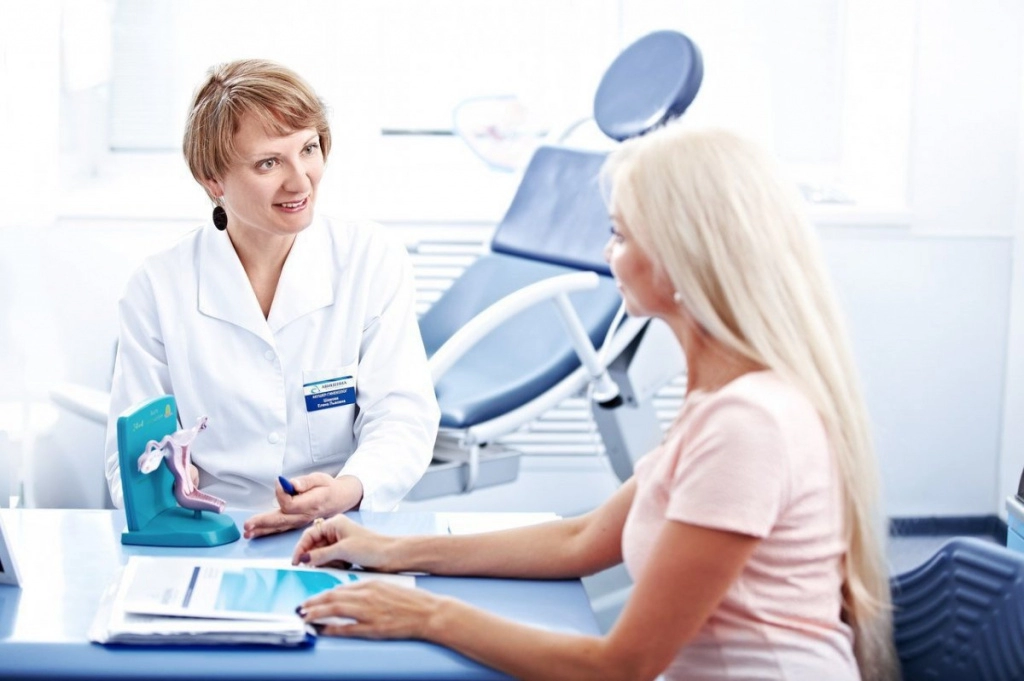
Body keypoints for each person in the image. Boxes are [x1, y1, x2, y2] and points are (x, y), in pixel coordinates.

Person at [288, 125, 897, 681]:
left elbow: (621, 666)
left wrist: (426, 615)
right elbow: (580, 540)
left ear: (684, 258)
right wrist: (390, 551)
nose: (609, 256)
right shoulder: (721, 403)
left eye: (620, 235)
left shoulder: (748, 424)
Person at [104, 59, 440, 538]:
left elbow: (403, 415)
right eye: (268, 162)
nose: (300, 181)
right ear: (213, 180)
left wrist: (350, 488)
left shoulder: (369, 260)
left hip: (342, 528)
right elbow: (133, 450)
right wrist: (164, 487)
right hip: (212, 532)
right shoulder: (158, 287)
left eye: (308, 148)